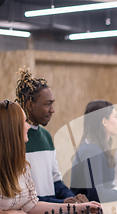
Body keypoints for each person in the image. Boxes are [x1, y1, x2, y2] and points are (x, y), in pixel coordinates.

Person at [15, 68, 87, 204]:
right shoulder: (16, 138)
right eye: (47, 104)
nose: (52, 110)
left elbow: (56, 181)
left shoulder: (46, 136)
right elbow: (23, 198)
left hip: (50, 210)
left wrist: (72, 197)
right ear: (30, 105)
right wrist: (61, 204)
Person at [70, 100, 117, 203]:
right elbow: (97, 195)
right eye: (115, 116)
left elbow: (105, 186)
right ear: (104, 122)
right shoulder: (91, 150)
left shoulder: (97, 147)